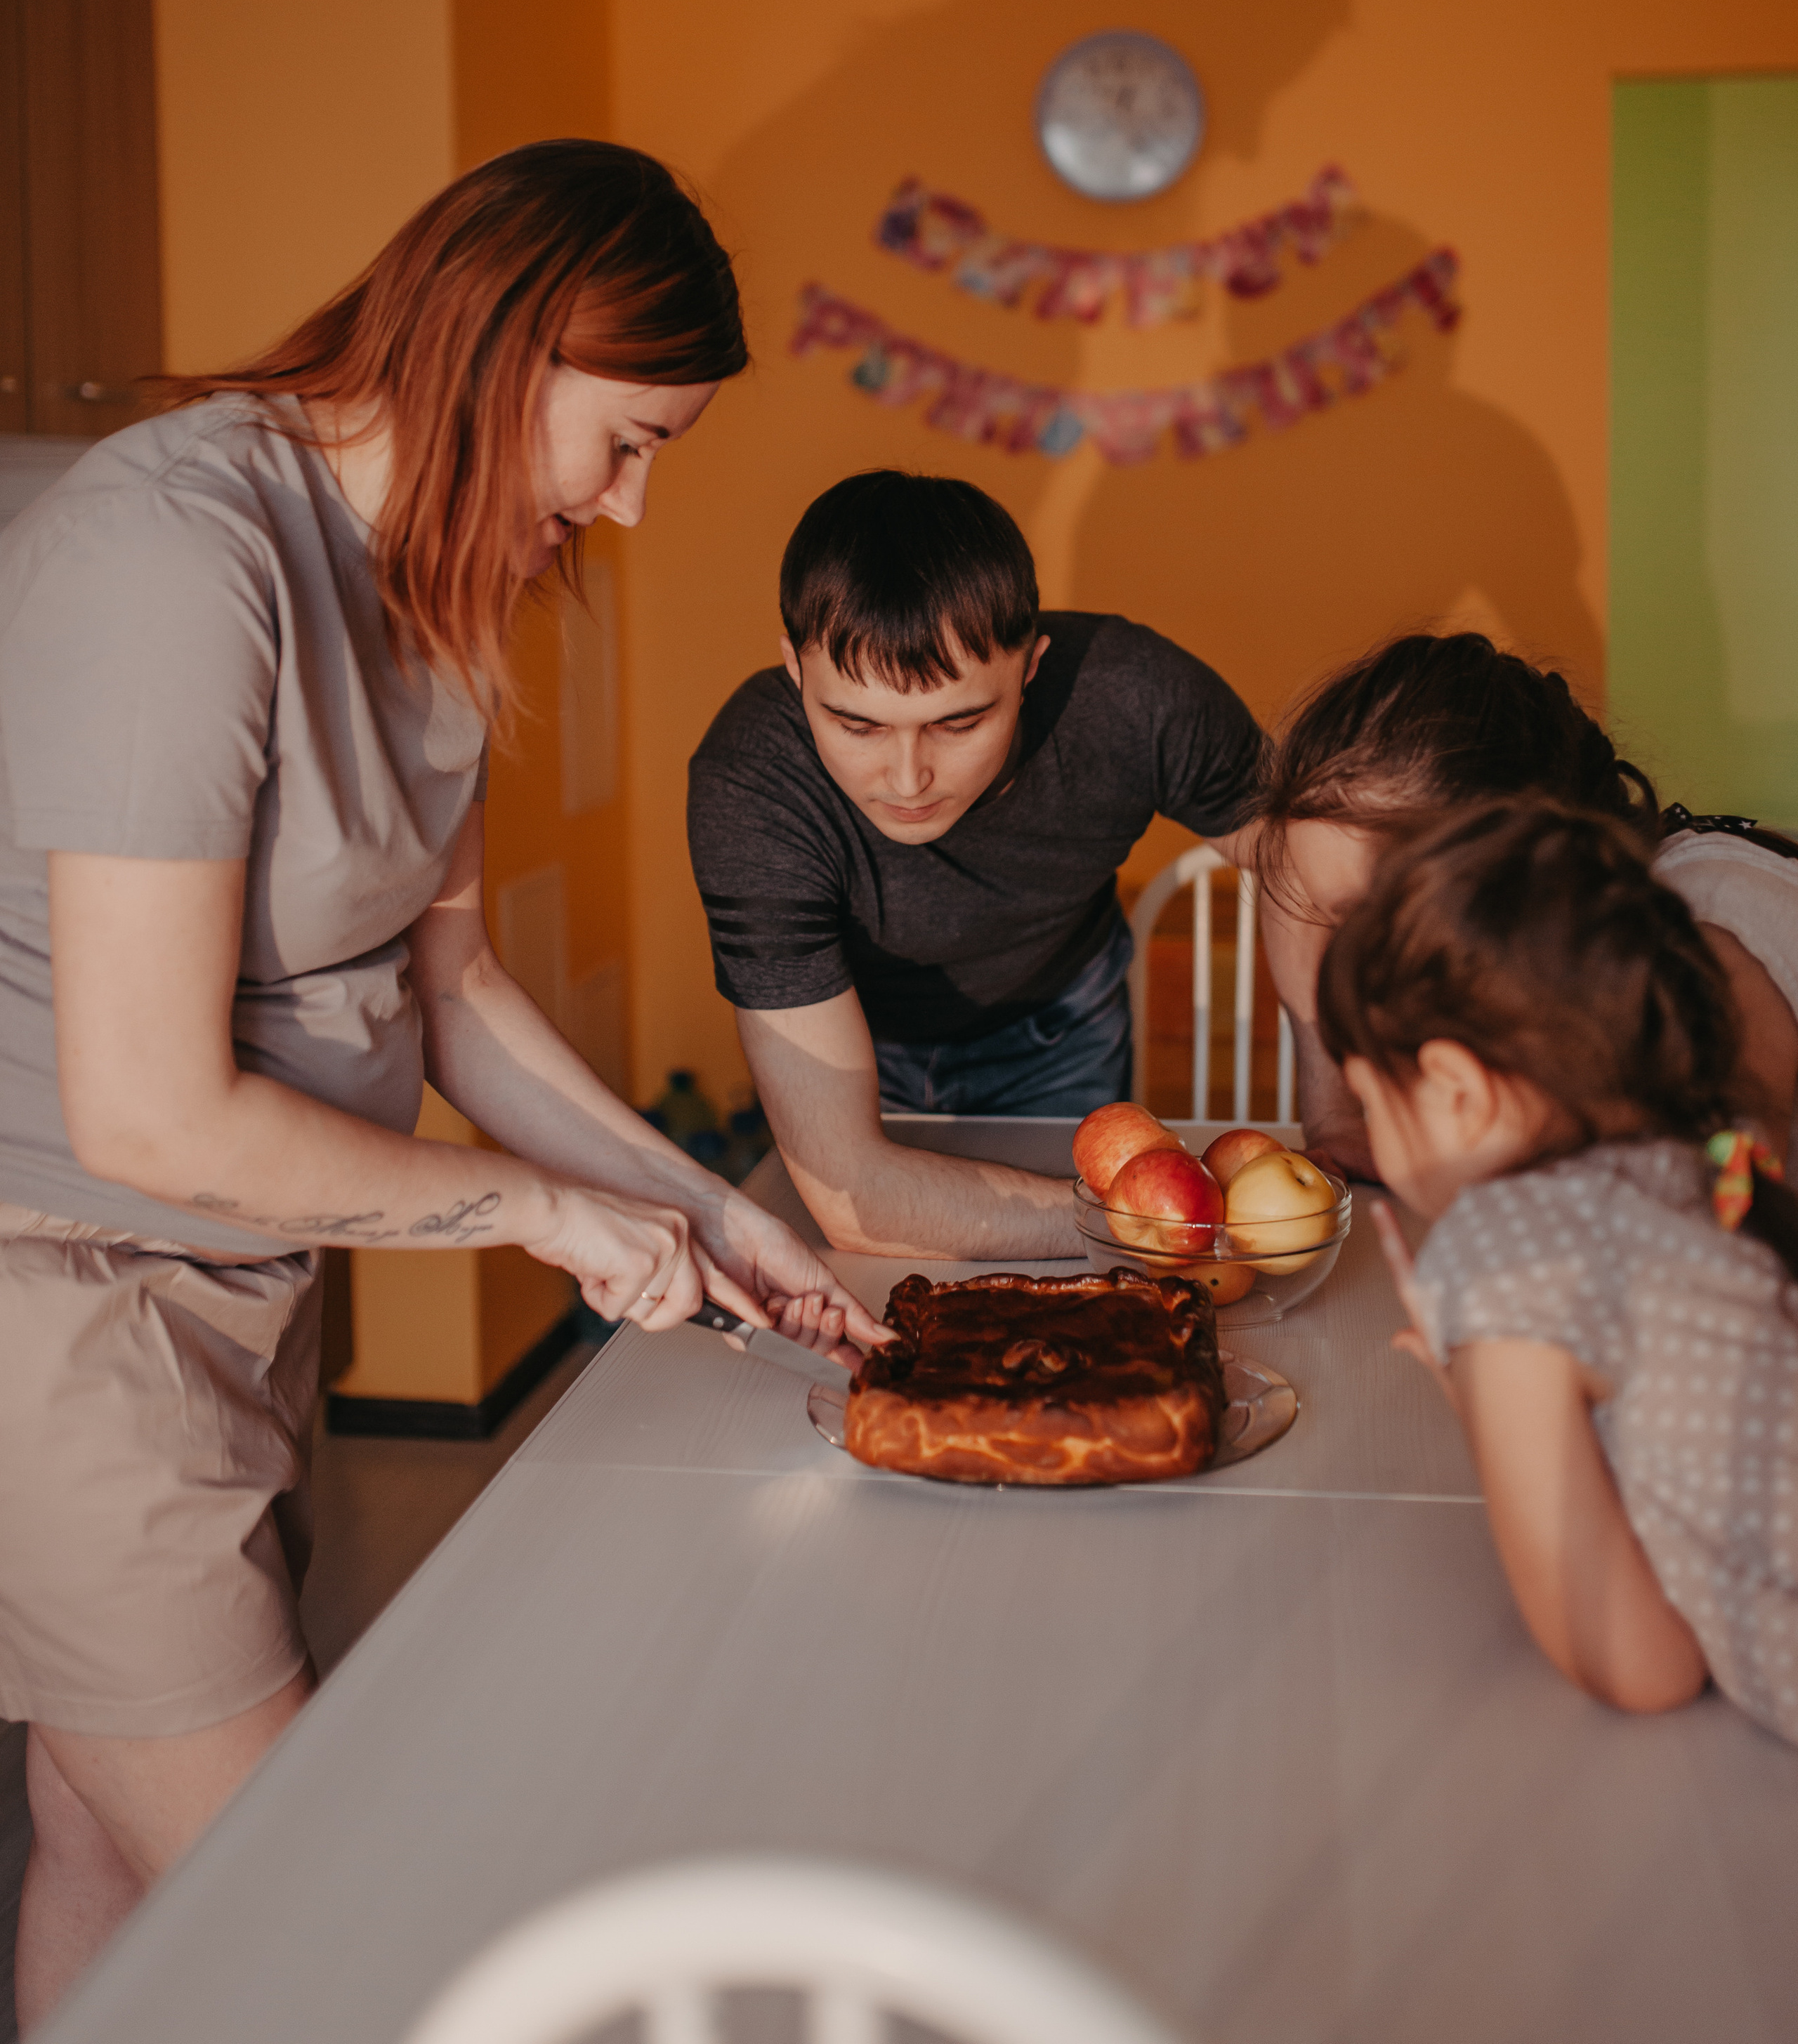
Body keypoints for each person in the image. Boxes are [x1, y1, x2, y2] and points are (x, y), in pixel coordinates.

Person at [0, 140, 879, 2030]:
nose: (634, 510)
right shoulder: (178, 551)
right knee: (335, 1917)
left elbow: (454, 991)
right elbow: (148, 1112)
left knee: (94, 1837)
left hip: (237, 1281)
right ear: (501, 349)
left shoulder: (434, 582)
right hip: (62, 1296)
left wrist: (712, 1209)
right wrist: (541, 1213)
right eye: (629, 439)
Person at [685, 469, 1271, 1258]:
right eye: (856, 725)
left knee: (1088, 1301)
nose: (907, 778)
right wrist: (1160, 1223)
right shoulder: (750, 782)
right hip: (858, 1051)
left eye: (958, 722)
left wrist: (1342, 1116)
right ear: (795, 672)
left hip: (1064, 1026)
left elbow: (1305, 870)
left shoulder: (1134, 694)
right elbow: (857, 1203)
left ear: (1030, 669)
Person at [1320, 795, 1798, 1739]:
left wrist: (1488, 1382)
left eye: (1370, 1095)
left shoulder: (1509, 1259)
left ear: (1455, 1089)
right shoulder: (1709, 1163)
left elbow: (1643, 1664)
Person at [1254, 632, 1798, 1177]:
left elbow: (1708, 1211)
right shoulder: (1542, 941)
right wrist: (1340, 1118)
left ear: (1512, 846)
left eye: (1368, 914)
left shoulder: (1709, 940)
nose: (1360, 965)